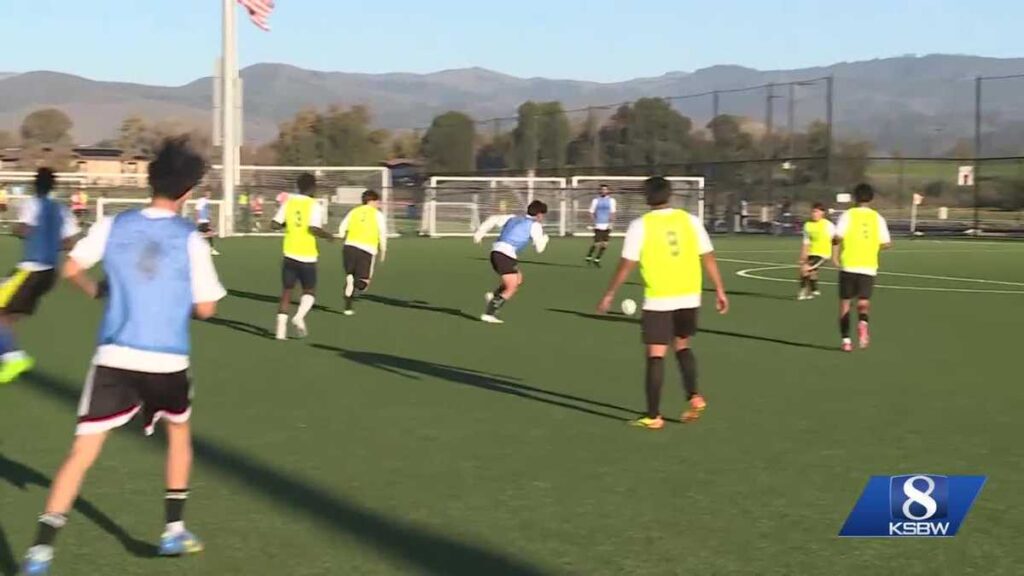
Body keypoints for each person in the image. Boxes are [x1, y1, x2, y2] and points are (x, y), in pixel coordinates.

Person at [21, 138, 226, 575]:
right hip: (167, 359)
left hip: (114, 354)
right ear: (188, 192)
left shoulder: (113, 224)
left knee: (82, 452)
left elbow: (72, 267)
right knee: (179, 435)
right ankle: (173, 530)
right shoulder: (190, 238)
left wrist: (98, 292)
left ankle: (40, 551)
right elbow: (208, 307)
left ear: (150, 181)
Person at [597, 177, 728, 430]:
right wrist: (720, 289)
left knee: (656, 354)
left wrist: (610, 293)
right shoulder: (690, 220)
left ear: (647, 198)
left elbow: (627, 263)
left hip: (659, 298)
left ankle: (653, 416)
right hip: (690, 295)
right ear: (670, 195)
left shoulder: (640, 226)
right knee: (682, 345)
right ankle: (694, 395)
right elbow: (708, 256)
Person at [0, 168, 80, 385]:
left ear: (35, 185)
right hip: (49, 273)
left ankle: (14, 358)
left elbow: (23, 229)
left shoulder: (32, 204)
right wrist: (52, 242)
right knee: (9, 315)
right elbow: (72, 241)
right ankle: (9, 354)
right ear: (53, 186)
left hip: (31, 269)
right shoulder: (63, 210)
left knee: (3, 312)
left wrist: (19, 229)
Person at [270, 173, 332, 339]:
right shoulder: (314, 205)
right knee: (309, 291)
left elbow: (274, 224)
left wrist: (286, 223)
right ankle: (298, 317)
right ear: (313, 187)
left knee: (287, 291)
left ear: (298, 187)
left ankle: (280, 331)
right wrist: (328, 236)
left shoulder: (289, 203)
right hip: (307, 255)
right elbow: (313, 228)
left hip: (289, 253)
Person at [834, 183, 891, 352]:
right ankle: (863, 322)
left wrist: (835, 255)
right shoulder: (877, 218)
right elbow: (887, 243)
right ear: (871, 198)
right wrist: (873, 247)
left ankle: (846, 341)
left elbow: (837, 237)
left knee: (845, 304)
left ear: (855, 197)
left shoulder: (847, 215)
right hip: (868, 265)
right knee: (863, 302)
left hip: (849, 264)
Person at [473, 200, 550, 324]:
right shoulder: (535, 226)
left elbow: (492, 219)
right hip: (505, 255)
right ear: (539, 215)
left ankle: (494, 296)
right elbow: (539, 249)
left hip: (496, 252)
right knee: (512, 287)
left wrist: (479, 233)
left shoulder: (512, 217)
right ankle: (489, 313)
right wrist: (545, 239)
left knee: (518, 279)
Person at [336, 190, 388, 316]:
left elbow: (342, 227)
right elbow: (382, 233)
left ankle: (347, 307)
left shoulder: (354, 211)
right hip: (367, 250)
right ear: (372, 201)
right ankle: (354, 284)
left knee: (350, 276)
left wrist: (342, 235)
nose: (378, 204)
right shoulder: (378, 215)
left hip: (349, 247)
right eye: (377, 201)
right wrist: (383, 250)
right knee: (363, 283)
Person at [798, 202, 836, 300]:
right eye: (812, 212)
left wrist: (834, 257)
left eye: (816, 212)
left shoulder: (828, 225)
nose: (814, 214)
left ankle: (803, 291)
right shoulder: (807, 225)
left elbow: (836, 241)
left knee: (805, 268)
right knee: (812, 271)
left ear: (822, 213)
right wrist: (803, 256)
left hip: (823, 254)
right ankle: (814, 290)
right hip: (812, 253)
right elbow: (806, 242)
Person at [585, 185, 617, 267]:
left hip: (607, 224)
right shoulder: (595, 200)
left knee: (605, 244)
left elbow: (613, 212)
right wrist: (594, 222)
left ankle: (597, 259)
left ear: (608, 191)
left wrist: (611, 223)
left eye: (605, 190)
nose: (603, 191)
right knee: (597, 243)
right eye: (602, 189)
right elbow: (591, 212)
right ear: (600, 191)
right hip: (598, 224)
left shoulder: (612, 200)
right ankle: (589, 255)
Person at [194, 191, 219, 256]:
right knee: (208, 234)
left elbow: (207, 212)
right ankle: (211, 249)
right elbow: (197, 210)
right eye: (207, 193)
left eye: (210, 193)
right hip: (202, 221)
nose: (209, 195)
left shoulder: (207, 201)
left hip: (206, 221)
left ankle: (210, 249)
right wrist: (197, 219)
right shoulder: (201, 200)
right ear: (204, 194)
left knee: (207, 234)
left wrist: (209, 219)